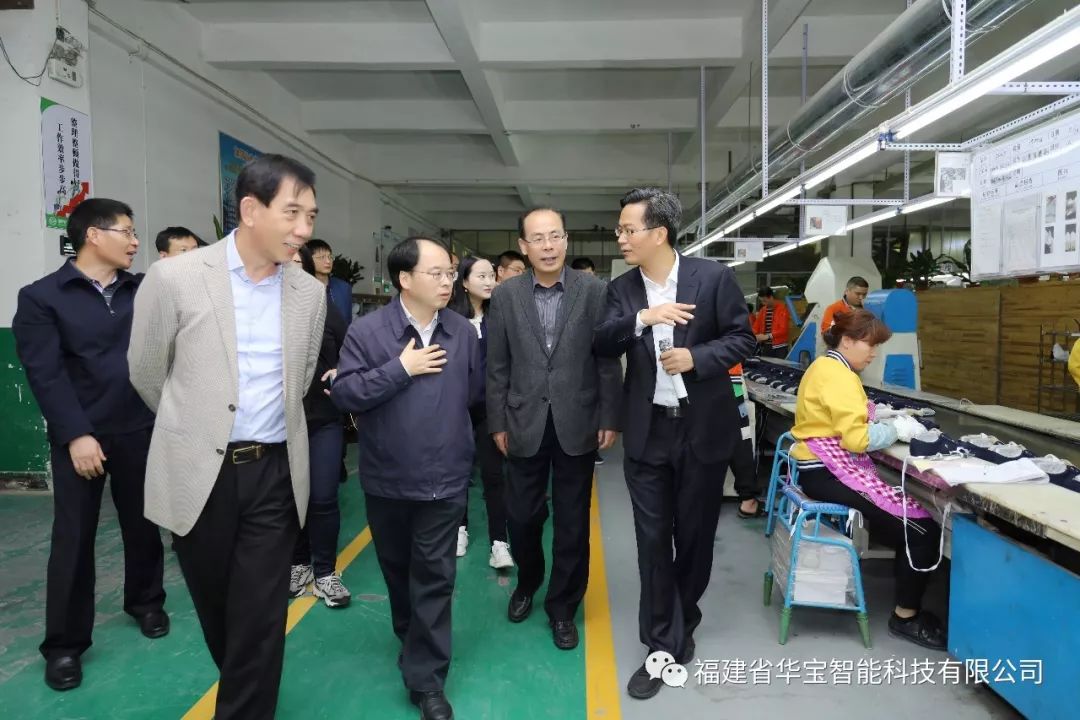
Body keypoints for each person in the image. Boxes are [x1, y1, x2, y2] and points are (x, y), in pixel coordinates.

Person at [128, 155, 326, 719]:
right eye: (292, 213)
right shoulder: (176, 278)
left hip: (274, 473)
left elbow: (301, 378)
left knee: (261, 613)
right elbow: (147, 371)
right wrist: (195, 424)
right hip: (201, 472)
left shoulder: (308, 294)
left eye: (311, 216)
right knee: (218, 607)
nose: (304, 230)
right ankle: (245, 688)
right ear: (250, 209)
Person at [594, 187, 755, 700]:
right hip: (649, 432)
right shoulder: (622, 290)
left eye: (629, 229)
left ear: (659, 233)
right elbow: (602, 341)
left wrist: (697, 359)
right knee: (651, 541)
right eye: (619, 230)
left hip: (702, 430)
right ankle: (661, 644)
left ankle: (684, 615)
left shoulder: (713, 278)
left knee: (696, 537)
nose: (621, 238)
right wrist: (643, 319)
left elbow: (743, 338)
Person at [14, 198, 168, 692]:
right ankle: (64, 645)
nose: (136, 241)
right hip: (81, 435)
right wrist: (76, 435)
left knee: (143, 525)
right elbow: (46, 373)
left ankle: (146, 602)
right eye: (127, 231)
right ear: (93, 235)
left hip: (139, 426)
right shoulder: (43, 297)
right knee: (74, 537)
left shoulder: (142, 291)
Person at [332, 236, 481, 720]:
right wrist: (401, 368)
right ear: (405, 279)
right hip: (388, 478)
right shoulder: (368, 332)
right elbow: (346, 393)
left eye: (450, 273)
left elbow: (473, 394)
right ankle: (412, 639)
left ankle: (427, 681)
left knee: (435, 577)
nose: (447, 281)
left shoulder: (462, 331)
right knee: (398, 571)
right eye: (436, 273)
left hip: (446, 478)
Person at [487, 207, 622, 651]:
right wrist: (498, 421)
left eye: (555, 236)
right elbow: (497, 365)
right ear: (523, 246)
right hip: (522, 421)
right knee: (522, 517)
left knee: (572, 522)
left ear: (566, 240)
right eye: (538, 239)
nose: (548, 246)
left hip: (577, 420)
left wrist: (609, 416)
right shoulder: (506, 296)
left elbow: (606, 359)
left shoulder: (594, 290)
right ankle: (528, 582)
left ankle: (563, 607)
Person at [791, 309, 946, 651]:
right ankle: (905, 617)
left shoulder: (824, 366)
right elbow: (857, 440)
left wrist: (879, 415)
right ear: (847, 341)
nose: (874, 353)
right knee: (922, 530)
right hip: (828, 471)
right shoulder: (840, 376)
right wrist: (896, 429)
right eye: (870, 345)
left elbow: (841, 414)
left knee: (901, 521)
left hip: (815, 468)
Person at [289, 245, 352, 607]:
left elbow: (351, 347)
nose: (290, 268)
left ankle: (325, 572)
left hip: (323, 416)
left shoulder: (322, 306)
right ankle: (298, 565)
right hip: (280, 421)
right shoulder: (259, 311)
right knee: (290, 497)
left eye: (297, 263)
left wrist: (342, 370)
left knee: (323, 496)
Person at [447, 256, 515, 569]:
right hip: (456, 408)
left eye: (491, 276)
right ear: (464, 282)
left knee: (494, 475)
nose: (490, 282)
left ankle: (499, 542)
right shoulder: (448, 319)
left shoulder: (499, 316)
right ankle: (459, 529)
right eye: (482, 276)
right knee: (458, 472)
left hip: (492, 408)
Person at [308, 238, 354, 323]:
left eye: (330, 257)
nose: (328, 261)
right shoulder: (303, 287)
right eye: (322, 257)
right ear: (309, 260)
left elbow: (347, 322)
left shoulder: (344, 288)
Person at [751, 287, 791, 358]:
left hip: (780, 347)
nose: (763, 303)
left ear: (771, 297)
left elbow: (783, 330)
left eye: (764, 301)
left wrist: (767, 336)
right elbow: (755, 327)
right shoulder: (763, 310)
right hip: (766, 346)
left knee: (779, 365)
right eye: (761, 301)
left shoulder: (782, 309)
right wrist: (754, 336)